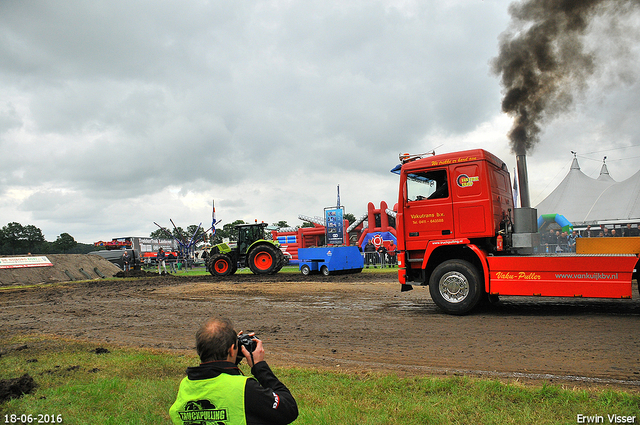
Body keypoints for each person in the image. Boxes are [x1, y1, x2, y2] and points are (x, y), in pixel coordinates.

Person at [169, 318, 298, 425]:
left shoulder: (186, 386)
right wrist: (259, 367)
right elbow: (288, 409)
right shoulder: (244, 388)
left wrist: (230, 361)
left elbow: (216, 383)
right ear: (232, 350)